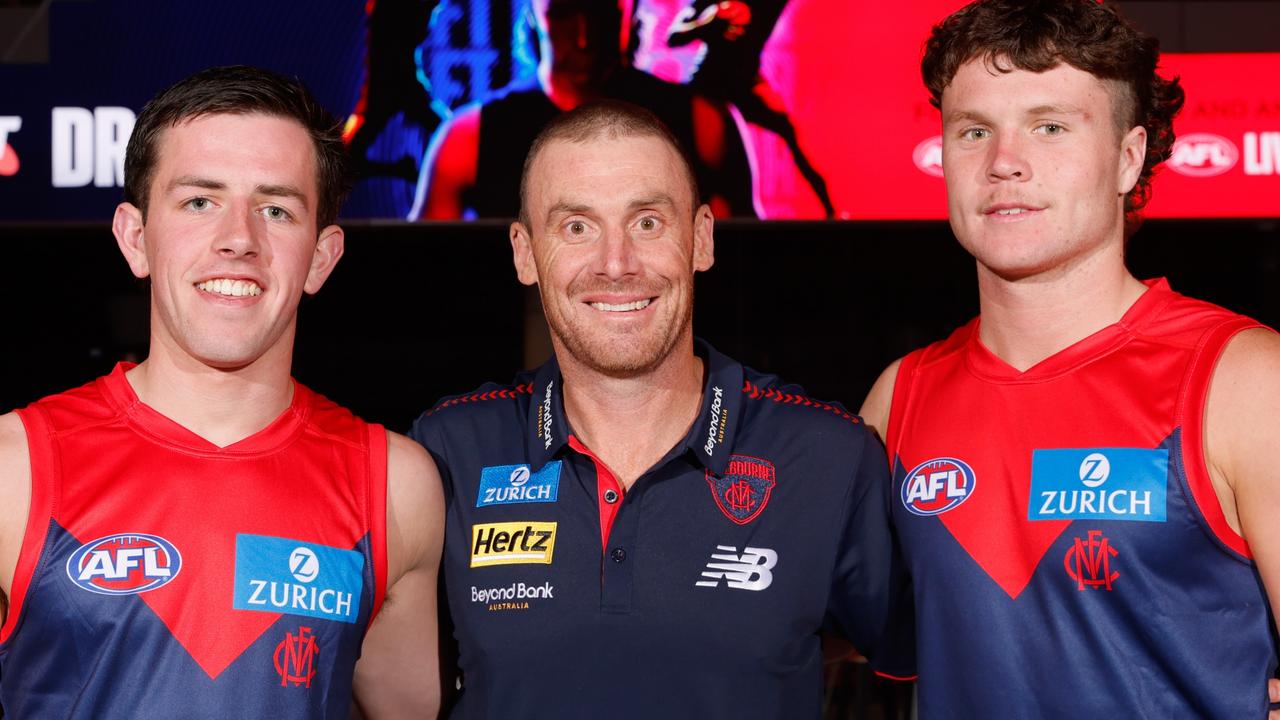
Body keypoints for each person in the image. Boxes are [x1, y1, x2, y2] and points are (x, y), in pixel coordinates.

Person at [858, 1, 1280, 717]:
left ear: (1129, 157)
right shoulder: (901, 396)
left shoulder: (1243, 380)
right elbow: (800, 628)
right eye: (973, 132)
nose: (1003, 163)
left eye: (1049, 127)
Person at [409, 100, 895, 716]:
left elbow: (908, 661)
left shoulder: (828, 453)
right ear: (525, 253)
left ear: (701, 239)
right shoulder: (447, 449)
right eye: (577, 227)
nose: (616, 264)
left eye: (647, 223)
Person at [0, 66, 444, 718]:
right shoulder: (14, 467)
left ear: (320, 258)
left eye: (275, 209)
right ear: (135, 237)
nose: (240, 238)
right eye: (199, 202)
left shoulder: (395, 484)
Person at [411, 0, 754, 220]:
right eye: (563, 14)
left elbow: (741, 270)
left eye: (597, 13)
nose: (583, 39)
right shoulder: (469, 137)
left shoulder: (699, 121)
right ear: (534, 15)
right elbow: (428, 266)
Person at [667, 0, 835, 217]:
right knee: (704, 160)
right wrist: (705, 23)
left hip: (744, 84)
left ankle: (831, 212)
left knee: (789, 134)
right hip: (708, 84)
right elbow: (673, 36)